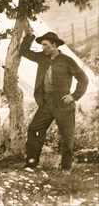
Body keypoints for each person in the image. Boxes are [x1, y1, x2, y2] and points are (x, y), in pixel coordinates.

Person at [20, 32, 88, 172]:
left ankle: (65, 169)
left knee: (67, 137)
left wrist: (74, 96)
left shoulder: (67, 61)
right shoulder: (41, 58)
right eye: (42, 45)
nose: (42, 48)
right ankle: (31, 163)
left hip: (64, 105)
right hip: (45, 104)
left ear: (54, 45)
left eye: (45, 45)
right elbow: (24, 51)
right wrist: (29, 35)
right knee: (34, 129)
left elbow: (83, 79)